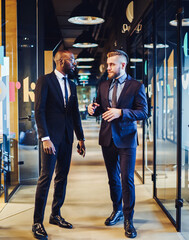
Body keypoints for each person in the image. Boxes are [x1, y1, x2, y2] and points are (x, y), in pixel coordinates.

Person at [88, 49, 148, 238]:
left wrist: (121, 112)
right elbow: (100, 107)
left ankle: (129, 219)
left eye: (112, 64)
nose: (108, 67)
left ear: (123, 65)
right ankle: (117, 210)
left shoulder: (136, 86)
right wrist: (92, 109)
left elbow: (144, 112)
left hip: (127, 139)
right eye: (108, 64)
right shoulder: (104, 85)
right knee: (113, 179)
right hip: (107, 138)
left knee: (126, 179)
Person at [32, 50, 85, 240]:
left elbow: (74, 114)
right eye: (72, 60)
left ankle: (55, 214)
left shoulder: (71, 84)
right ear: (62, 61)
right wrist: (44, 137)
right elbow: (39, 111)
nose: (75, 64)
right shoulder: (45, 81)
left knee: (62, 177)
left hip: (67, 138)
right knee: (45, 178)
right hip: (50, 139)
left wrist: (81, 138)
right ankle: (37, 221)